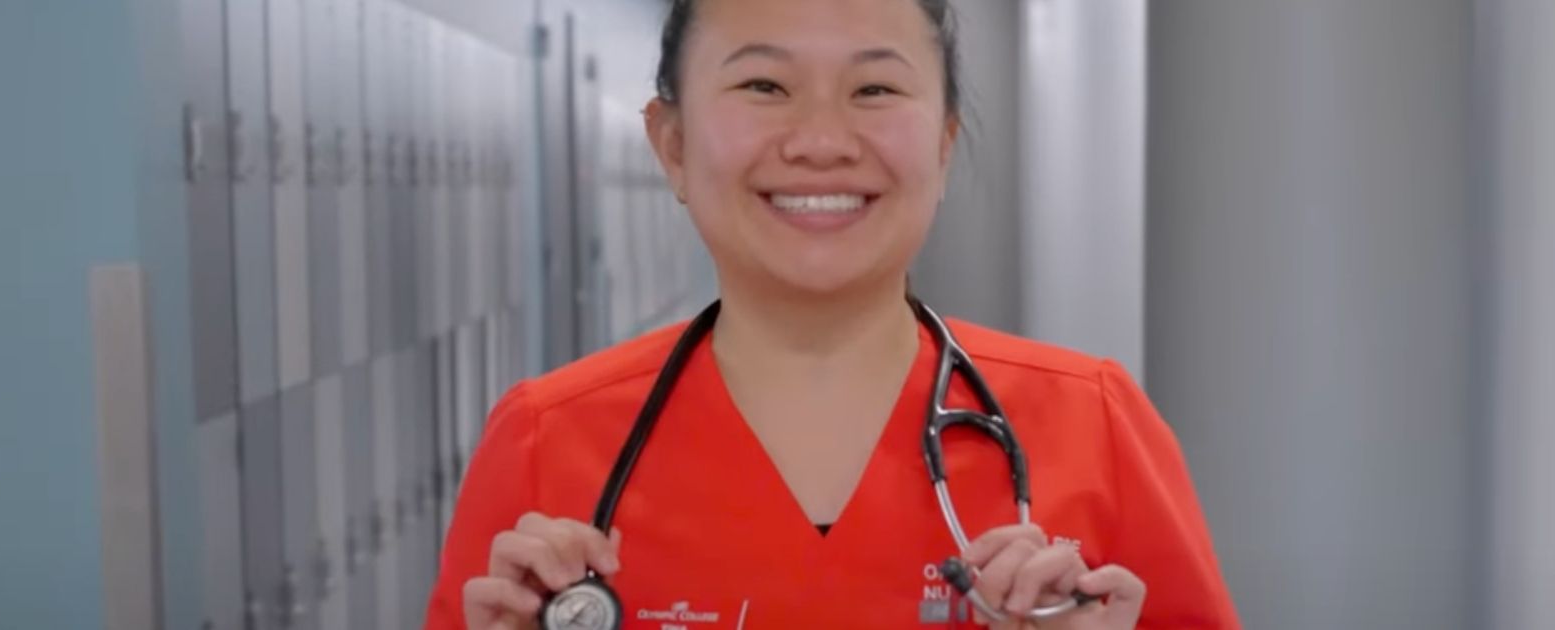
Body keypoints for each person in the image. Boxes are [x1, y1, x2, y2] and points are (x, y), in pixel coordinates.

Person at [426, 0, 1238, 627]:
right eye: (763, 85)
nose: (821, 140)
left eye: (874, 89)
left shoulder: (1095, 421)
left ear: (944, 144)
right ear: (671, 144)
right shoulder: (543, 442)